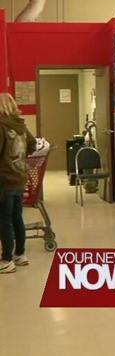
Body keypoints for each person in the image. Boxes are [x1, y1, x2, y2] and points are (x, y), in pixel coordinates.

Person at [0, 94, 36, 273]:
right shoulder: (20, 125)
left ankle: (6, 259)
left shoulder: (1, 125)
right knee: (16, 217)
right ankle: (20, 255)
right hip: (19, 178)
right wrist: (21, 160)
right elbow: (33, 144)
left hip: (4, 180)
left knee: (4, 220)